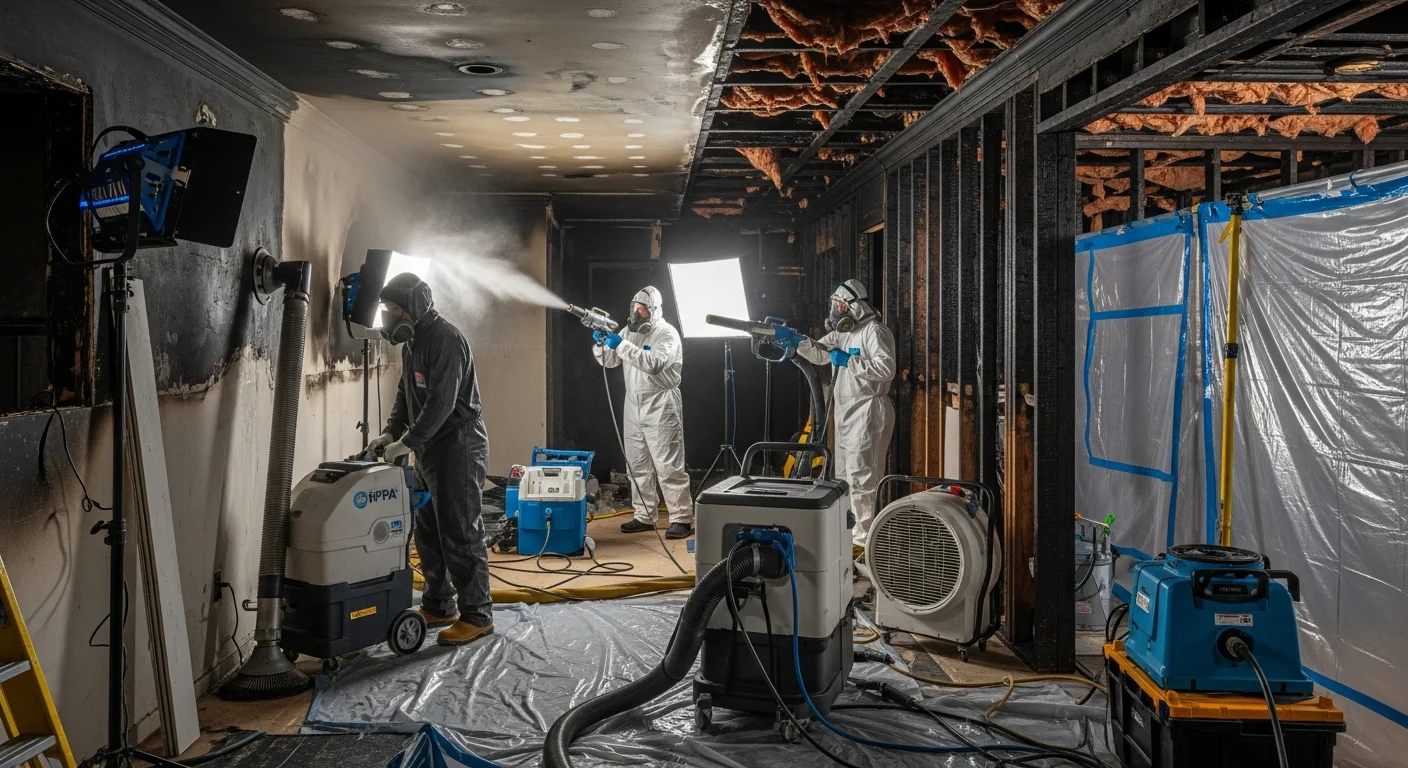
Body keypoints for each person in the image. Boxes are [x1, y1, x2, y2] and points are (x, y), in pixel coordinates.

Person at [368, 272, 493, 647]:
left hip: (458, 446)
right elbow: (405, 394)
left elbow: (441, 404)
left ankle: (477, 615)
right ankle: (439, 604)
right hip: (428, 450)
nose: (389, 316)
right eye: (386, 309)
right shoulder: (413, 343)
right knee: (427, 532)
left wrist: (406, 442)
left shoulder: (446, 340)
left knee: (460, 532)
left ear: (414, 307)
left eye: (394, 309)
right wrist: (391, 432)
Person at [777, 279, 895, 554]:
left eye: (838, 304)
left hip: (868, 411)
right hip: (845, 413)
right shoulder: (843, 333)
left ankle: (863, 546)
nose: (835, 310)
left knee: (862, 478)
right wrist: (797, 341)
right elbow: (820, 354)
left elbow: (886, 369)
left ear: (852, 306)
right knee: (843, 476)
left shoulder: (874, 332)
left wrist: (849, 361)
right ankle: (848, 537)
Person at [592, 286, 694, 539]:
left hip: (661, 403)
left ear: (654, 310)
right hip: (633, 403)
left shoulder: (667, 334)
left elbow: (653, 364)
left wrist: (621, 344)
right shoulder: (628, 332)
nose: (637, 314)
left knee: (668, 465)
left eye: (643, 309)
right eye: (635, 308)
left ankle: (681, 517)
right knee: (637, 464)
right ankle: (644, 515)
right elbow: (610, 361)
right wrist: (601, 344)